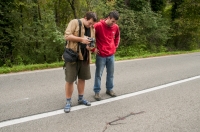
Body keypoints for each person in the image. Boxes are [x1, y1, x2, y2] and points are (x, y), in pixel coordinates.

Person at [64, 12, 97, 113]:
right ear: (85, 18)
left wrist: (90, 47)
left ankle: (81, 98)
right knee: (70, 80)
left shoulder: (92, 29)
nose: (91, 25)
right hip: (72, 56)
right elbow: (67, 36)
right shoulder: (75, 22)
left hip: (85, 57)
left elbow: (90, 43)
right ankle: (68, 101)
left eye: (92, 24)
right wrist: (81, 39)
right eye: (90, 23)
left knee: (82, 78)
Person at [92, 11, 120, 101]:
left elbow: (117, 37)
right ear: (108, 17)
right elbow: (90, 36)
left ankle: (109, 89)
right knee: (98, 74)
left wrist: (115, 47)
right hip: (101, 55)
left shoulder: (115, 27)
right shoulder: (98, 25)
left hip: (111, 55)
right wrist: (93, 49)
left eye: (115, 22)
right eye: (112, 21)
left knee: (110, 74)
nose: (113, 23)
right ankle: (97, 92)